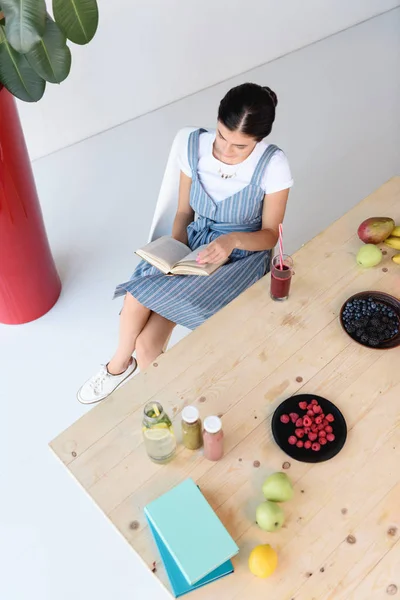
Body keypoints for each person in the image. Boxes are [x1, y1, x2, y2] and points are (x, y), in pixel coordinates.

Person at [77, 82, 293, 404]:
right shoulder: (193, 146)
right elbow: (183, 211)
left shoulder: (273, 165)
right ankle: (144, 382)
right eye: (222, 136)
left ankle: (127, 372)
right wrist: (176, 251)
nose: (226, 151)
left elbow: (270, 235)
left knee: (146, 305)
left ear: (258, 141)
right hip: (194, 247)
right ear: (217, 120)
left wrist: (231, 240)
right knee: (144, 338)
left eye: (240, 146)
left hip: (240, 256)